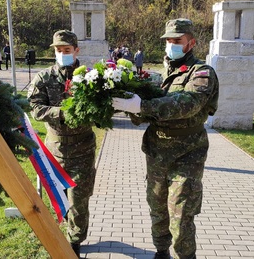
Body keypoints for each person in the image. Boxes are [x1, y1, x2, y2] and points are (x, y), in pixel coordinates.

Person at [112, 18, 219, 259]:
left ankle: (185, 256)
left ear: (191, 43)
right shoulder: (160, 76)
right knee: (158, 208)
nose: (171, 44)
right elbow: (144, 115)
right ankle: (161, 251)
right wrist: (127, 105)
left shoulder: (202, 73)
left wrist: (144, 105)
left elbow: (188, 104)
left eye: (177, 40)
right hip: (157, 152)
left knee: (180, 216)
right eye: (168, 40)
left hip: (187, 155)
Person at [27, 30, 96, 258]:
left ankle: (74, 242)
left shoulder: (91, 77)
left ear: (76, 50)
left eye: (67, 50)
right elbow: (35, 108)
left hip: (83, 149)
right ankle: (70, 228)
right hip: (54, 151)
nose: (62, 53)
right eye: (59, 50)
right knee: (60, 199)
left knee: (79, 200)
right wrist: (63, 112)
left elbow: (103, 106)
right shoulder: (44, 78)